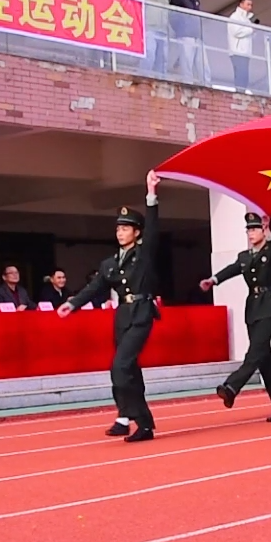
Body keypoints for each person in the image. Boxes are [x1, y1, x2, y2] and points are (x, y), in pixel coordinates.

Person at [60, 172, 163, 441]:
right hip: (122, 317)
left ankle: (137, 419)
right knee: (128, 369)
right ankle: (129, 418)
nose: (120, 232)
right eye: (118, 228)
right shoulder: (108, 264)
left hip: (141, 314)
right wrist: (73, 303)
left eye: (126, 228)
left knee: (120, 366)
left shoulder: (143, 254)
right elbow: (95, 288)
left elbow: (153, 229)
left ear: (136, 232)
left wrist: (151, 195)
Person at [202, 211, 271, 421]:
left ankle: (232, 386)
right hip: (253, 307)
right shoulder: (245, 256)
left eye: (255, 229)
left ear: (263, 231)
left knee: (256, 350)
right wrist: (213, 280)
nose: (251, 233)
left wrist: (269, 230)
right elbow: (233, 269)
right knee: (265, 361)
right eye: (249, 230)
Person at [167, 0, 208, 83]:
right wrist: (181, 29)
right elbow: (172, 17)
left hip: (197, 36)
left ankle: (207, 87)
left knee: (203, 65)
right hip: (185, 35)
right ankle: (188, 85)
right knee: (187, 63)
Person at [136, 0, 171, 75]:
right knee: (149, 54)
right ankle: (143, 78)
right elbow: (134, 7)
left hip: (163, 30)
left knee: (162, 59)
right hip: (148, 28)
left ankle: (161, 82)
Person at [227, 0, 261, 93]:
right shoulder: (235, 17)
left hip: (245, 51)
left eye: (251, 5)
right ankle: (239, 92)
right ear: (241, 4)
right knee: (240, 74)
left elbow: (248, 35)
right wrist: (251, 30)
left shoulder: (247, 19)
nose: (249, 7)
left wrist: (253, 31)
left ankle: (243, 92)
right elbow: (236, 32)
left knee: (245, 75)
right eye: (248, 4)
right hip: (237, 51)